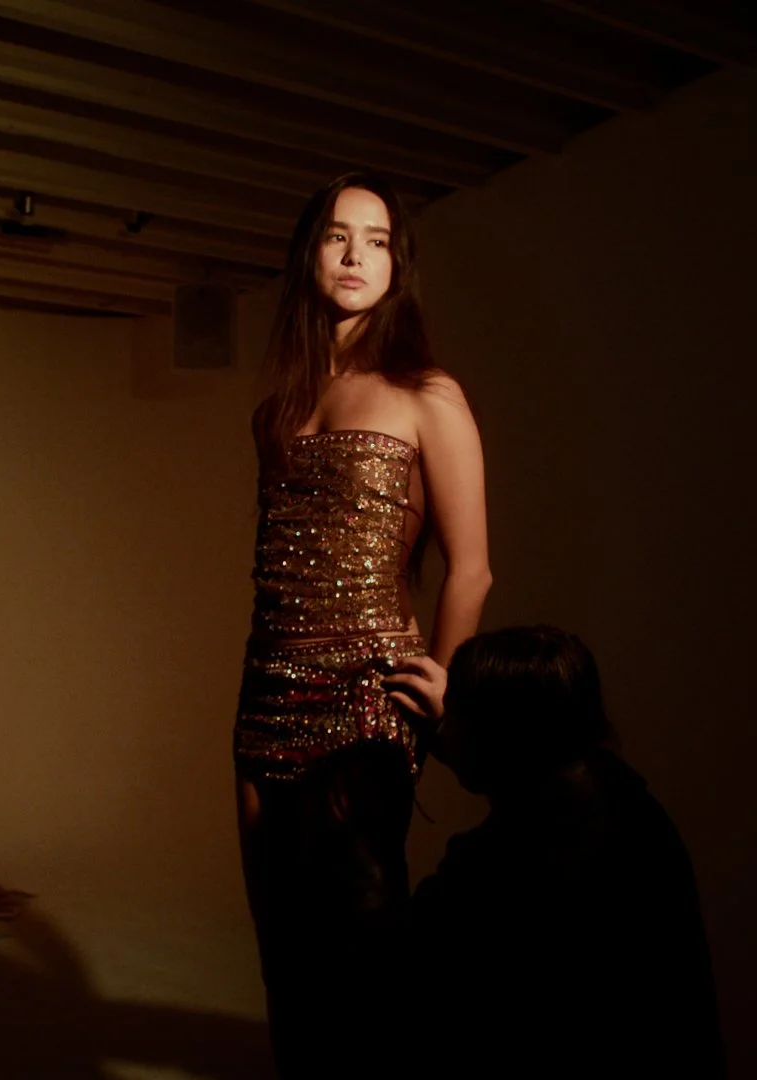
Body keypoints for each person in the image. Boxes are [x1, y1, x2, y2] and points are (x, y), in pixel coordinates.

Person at [232, 172, 491, 1078]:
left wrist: (443, 685)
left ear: (397, 266)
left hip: (367, 700)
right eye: (338, 236)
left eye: (376, 241)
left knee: (361, 944)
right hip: (266, 694)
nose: (354, 256)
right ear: (309, 253)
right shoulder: (277, 413)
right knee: (281, 943)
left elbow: (472, 565)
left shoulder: (429, 394)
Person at [389, 625, 726, 1078]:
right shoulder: (630, 805)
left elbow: (405, 968)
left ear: (497, 737)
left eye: (461, 713)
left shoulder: (495, 869)